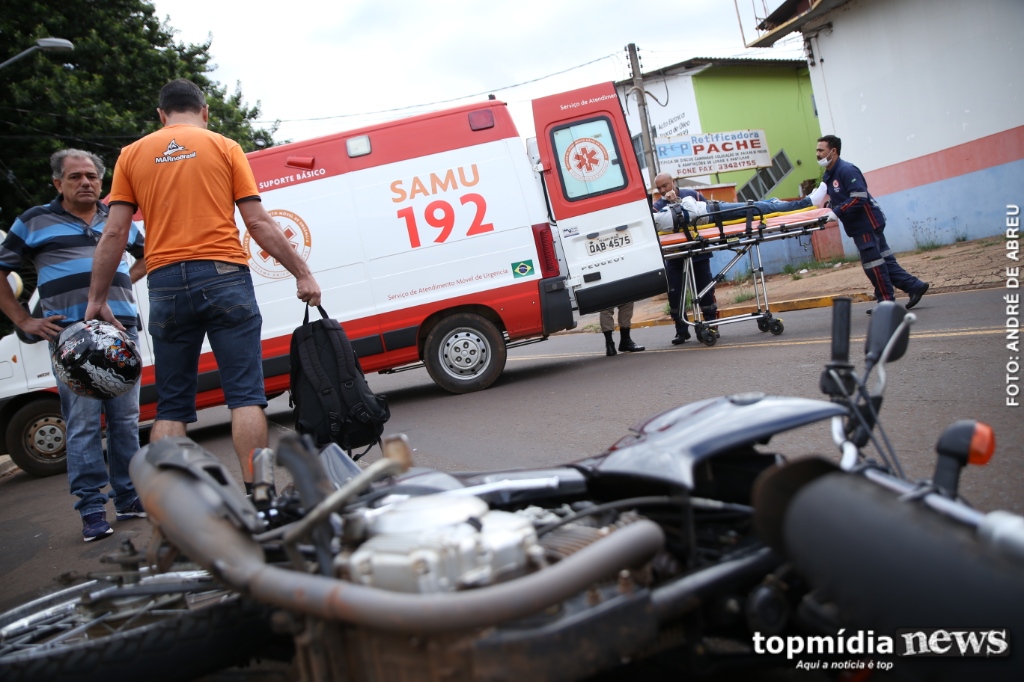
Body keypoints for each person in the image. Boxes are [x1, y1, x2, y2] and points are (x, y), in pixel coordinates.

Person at [86, 79, 322, 494]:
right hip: (223, 275)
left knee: (172, 405)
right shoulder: (225, 146)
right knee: (245, 396)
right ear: (205, 111)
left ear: (161, 115)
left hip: (164, 284)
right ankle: (260, 496)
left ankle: (171, 508)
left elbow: (115, 233)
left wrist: (96, 299)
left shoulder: (131, 155)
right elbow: (259, 223)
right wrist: (301, 272)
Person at [0, 149, 147, 542]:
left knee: (125, 422)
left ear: (101, 181)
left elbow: (147, 254)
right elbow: (2, 269)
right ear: (57, 183)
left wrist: (121, 280)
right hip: (72, 342)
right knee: (82, 426)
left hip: (121, 337)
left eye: (92, 176)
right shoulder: (34, 222)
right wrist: (24, 320)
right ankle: (92, 509)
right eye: (76, 176)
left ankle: (130, 497)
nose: (86, 182)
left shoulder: (117, 217)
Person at [652, 173, 824, 344]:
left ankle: (711, 325)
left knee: (705, 291)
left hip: (699, 250)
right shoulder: (656, 207)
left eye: (664, 186)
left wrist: (677, 201)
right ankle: (681, 331)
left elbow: (704, 212)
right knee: (675, 295)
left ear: (673, 182)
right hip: (676, 256)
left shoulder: (690, 194)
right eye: (658, 188)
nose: (662, 190)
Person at [816, 135, 928, 314]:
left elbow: (859, 197)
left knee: (874, 265)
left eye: (821, 150)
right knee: (885, 262)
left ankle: (886, 303)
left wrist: (836, 212)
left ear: (833, 151)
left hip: (866, 224)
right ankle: (914, 286)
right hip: (861, 225)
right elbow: (843, 196)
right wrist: (830, 207)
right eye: (817, 150)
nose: (818, 154)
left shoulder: (846, 170)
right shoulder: (831, 174)